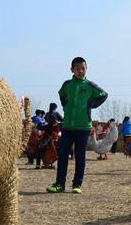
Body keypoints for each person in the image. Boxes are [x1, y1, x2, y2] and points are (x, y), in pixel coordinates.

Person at [46, 57, 108, 194]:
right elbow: (61, 93)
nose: (80, 71)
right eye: (77, 68)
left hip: (83, 128)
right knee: (62, 155)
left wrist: (91, 104)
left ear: (86, 69)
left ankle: (77, 185)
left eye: (83, 68)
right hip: (67, 127)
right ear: (72, 70)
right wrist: (65, 104)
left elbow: (104, 95)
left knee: (80, 156)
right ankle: (59, 184)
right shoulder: (67, 84)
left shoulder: (90, 86)